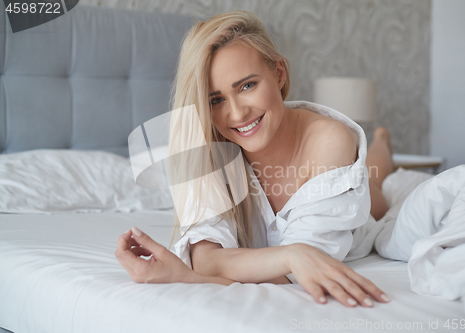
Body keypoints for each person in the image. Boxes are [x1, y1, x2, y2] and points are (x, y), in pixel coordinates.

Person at [115, 10, 394, 308]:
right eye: (216, 100)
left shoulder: (329, 140)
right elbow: (208, 260)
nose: (237, 114)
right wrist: (291, 254)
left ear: (279, 73)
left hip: (361, 217)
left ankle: (382, 141)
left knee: (377, 183)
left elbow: (298, 274)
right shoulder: (204, 152)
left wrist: (187, 277)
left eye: (247, 85)